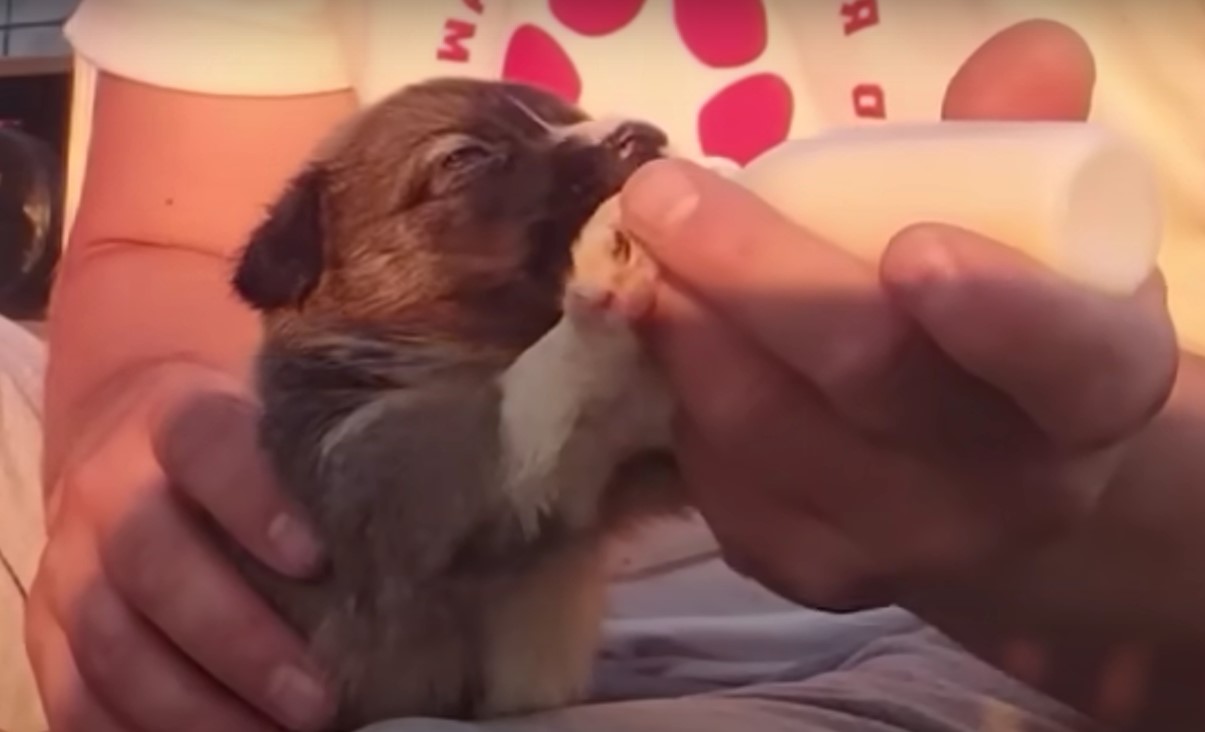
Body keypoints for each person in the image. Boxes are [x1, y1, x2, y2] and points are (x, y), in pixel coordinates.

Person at [2, 1, 1204, 731]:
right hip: (346, 489)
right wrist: (131, 427)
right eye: (475, 167)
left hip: (946, 638)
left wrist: (1102, 536)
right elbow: (172, 245)